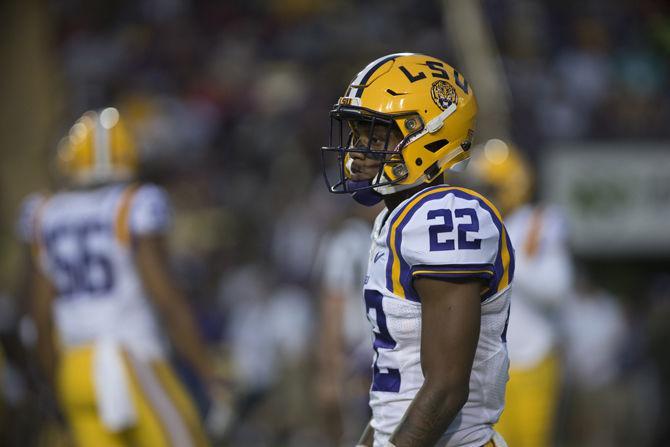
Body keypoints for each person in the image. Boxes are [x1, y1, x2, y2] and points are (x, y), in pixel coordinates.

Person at [321, 53, 512, 447]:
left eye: (376, 136)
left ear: (432, 135)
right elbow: (397, 393)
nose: (357, 152)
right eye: (357, 134)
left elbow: (445, 387)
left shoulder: (448, 214)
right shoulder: (398, 217)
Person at [17, 107, 225, 447]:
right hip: (129, 361)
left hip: (75, 369)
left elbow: (38, 317)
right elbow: (167, 299)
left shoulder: (44, 214)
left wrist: (55, 381)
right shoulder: (133, 204)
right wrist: (207, 373)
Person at [466, 139, 574, 447]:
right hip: (482, 358)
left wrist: (503, 258)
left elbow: (556, 288)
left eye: (487, 187)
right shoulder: (476, 224)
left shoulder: (539, 223)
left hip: (531, 353)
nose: (480, 195)